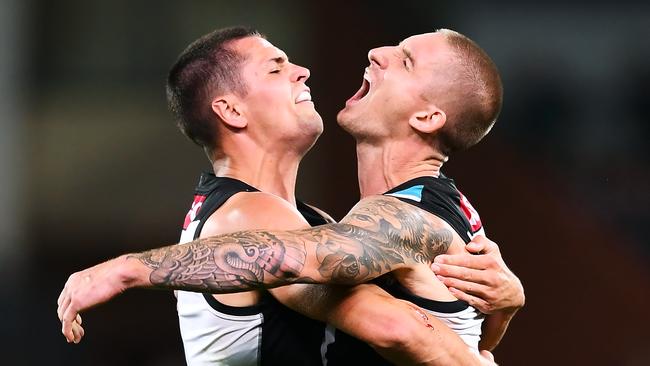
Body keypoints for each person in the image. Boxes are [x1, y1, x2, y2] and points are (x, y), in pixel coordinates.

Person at [58, 27, 524, 364]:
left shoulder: (349, 219)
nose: (303, 71)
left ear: (428, 118)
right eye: (277, 67)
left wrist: (506, 303)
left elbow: (324, 258)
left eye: (404, 59)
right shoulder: (247, 213)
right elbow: (397, 327)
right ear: (231, 110)